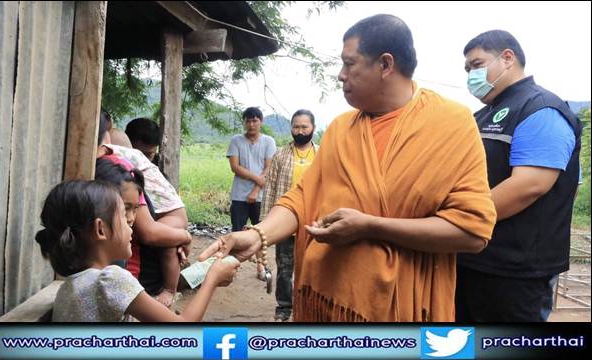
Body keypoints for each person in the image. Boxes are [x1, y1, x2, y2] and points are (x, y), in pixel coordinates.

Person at [200, 14, 496, 322]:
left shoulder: (451, 124)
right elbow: (302, 198)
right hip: (327, 302)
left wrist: (370, 226)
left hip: (402, 309)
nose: (341, 75)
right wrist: (258, 234)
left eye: (349, 63)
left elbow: (472, 232)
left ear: (385, 64)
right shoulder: (342, 128)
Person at [457, 30, 582, 322]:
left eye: (476, 64)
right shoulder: (482, 116)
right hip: (472, 259)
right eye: (466, 70)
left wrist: (456, 219)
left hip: (517, 271)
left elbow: (530, 185)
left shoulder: (540, 108)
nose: (470, 75)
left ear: (507, 58)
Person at [35, 180, 239, 322]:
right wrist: (212, 279)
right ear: (100, 229)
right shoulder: (111, 280)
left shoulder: (70, 286)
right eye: (123, 216)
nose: (131, 223)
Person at [97, 111, 191, 308]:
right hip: (165, 216)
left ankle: (169, 289)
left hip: (172, 215)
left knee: (167, 245)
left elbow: (149, 234)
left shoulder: (121, 160)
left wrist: (184, 237)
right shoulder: (123, 163)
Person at [260, 109, 319, 322]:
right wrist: (265, 225)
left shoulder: (322, 155)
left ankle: (309, 307)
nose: (300, 130)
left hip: (313, 221)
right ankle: (284, 309)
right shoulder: (281, 155)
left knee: (312, 268)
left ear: (313, 128)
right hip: (284, 220)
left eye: (304, 126)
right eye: (296, 126)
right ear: (291, 128)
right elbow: (269, 189)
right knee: (285, 268)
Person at [227, 107, 276, 279]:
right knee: (237, 232)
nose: (251, 124)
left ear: (261, 122)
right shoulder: (236, 141)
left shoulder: (269, 141)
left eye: (255, 120)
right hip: (239, 195)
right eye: (248, 120)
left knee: (260, 233)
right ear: (244, 122)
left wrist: (255, 190)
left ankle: (260, 268)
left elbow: (269, 168)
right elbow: (235, 167)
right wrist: (257, 179)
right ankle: (230, 268)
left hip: (261, 196)